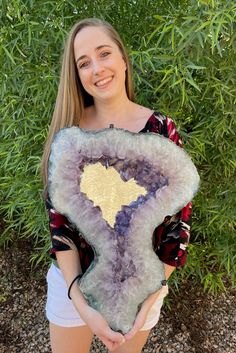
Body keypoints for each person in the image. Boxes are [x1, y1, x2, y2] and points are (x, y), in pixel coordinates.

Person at [40, 18, 192, 353]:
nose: (97, 68)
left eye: (104, 53)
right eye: (84, 62)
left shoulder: (161, 130)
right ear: (77, 76)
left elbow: (178, 227)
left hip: (142, 292)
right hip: (72, 287)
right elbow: (59, 227)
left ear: (123, 58)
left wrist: (150, 298)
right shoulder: (70, 137)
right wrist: (81, 304)